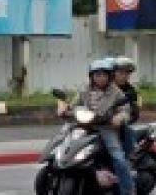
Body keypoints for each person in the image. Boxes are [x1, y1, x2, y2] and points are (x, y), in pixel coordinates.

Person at [58, 59, 135, 195]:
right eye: (97, 75)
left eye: (104, 75)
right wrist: (64, 109)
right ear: (92, 76)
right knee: (63, 142)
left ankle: (128, 190)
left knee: (118, 157)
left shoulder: (116, 92)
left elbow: (126, 110)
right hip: (84, 125)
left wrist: (119, 117)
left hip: (106, 127)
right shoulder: (84, 90)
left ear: (109, 76)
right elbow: (74, 105)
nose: (100, 78)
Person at [112, 56, 140, 158]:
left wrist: (121, 117)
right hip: (100, 119)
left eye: (127, 73)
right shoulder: (104, 86)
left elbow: (134, 111)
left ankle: (130, 155)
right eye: (121, 73)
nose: (124, 76)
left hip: (121, 120)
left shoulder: (130, 91)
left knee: (126, 130)